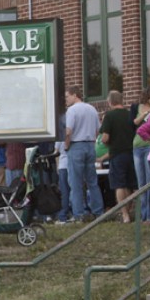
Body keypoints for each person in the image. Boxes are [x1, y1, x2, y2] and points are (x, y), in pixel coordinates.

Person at [64, 86, 104, 222]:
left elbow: (68, 131)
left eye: (67, 96)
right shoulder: (92, 109)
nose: (66, 100)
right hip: (90, 145)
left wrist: (66, 145)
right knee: (92, 181)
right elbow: (98, 130)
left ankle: (79, 214)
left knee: (76, 183)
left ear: (75, 95)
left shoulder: (71, 110)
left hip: (76, 145)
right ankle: (98, 212)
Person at [99, 90, 138, 223]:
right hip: (132, 153)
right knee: (129, 184)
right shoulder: (130, 114)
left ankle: (125, 214)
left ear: (110, 102)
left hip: (116, 154)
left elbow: (105, 138)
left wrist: (105, 141)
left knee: (119, 184)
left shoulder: (109, 116)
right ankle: (130, 210)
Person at [132, 86, 150, 223]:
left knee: (149, 181)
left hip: (149, 147)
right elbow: (134, 123)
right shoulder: (137, 107)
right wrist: (146, 113)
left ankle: (149, 216)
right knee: (141, 183)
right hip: (137, 146)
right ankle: (143, 214)